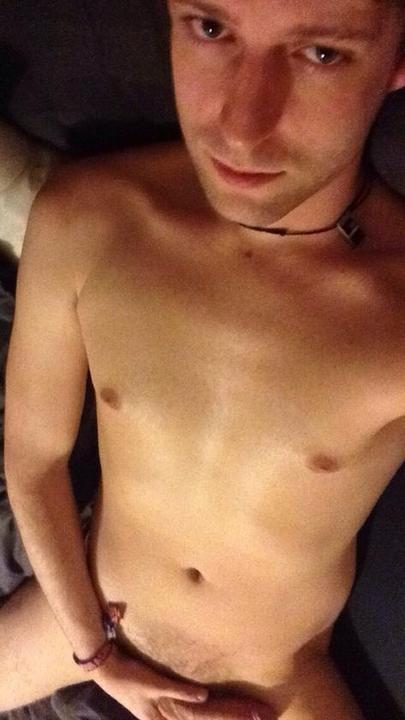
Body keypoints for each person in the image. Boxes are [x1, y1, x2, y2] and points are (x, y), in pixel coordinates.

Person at [1, 0, 405, 717]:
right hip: (92, 614)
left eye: (322, 54)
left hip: (274, 681)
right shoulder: (89, 215)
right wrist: (97, 655)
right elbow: (33, 458)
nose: (242, 129)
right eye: (212, 28)